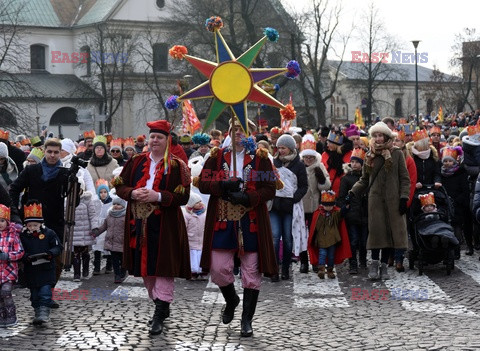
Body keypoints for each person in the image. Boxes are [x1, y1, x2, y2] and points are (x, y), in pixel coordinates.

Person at [197, 118, 277, 337]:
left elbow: (270, 189)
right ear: (228, 133)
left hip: (250, 220)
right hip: (222, 219)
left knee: (251, 272)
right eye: (235, 129)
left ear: (250, 134)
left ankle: (246, 320)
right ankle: (231, 299)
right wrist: (222, 185)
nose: (239, 133)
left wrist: (249, 196)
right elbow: (203, 183)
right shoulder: (217, 157)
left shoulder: (260, 160)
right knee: (219, 268)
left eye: (243, 130)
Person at [115, 119, 191, 336]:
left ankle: (159, 313)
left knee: (164, 269)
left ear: (168, 141)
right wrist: (131, 193)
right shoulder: (136, 162)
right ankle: (161, 303)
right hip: (139, 223)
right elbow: (119, 185)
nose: (155, 140)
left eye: (160, 137)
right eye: (152, 137)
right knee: (146, 272)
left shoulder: (177, 166)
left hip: (165, 224)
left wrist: (157, 195)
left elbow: (183, 196)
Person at [349, 122, 410, 281]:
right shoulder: (369, 154)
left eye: (380, 135)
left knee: (390, 234)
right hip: (375, 200)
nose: (377, 138)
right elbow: (364, 180)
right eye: (375, 135)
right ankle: (374, 264)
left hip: (393, 200)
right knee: (377, 234)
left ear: (386, 136)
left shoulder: (397, 154)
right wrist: (352, 192)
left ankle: (384, 266)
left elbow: (404, 178)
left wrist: (404, 197)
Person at [9, 138, 69, 302]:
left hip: (55, 220)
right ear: (44, 151)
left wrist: (75, 188)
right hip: (32, 220)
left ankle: (48, 293)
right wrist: (17, 212)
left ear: (60, 153)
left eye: (56, 152)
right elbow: (14, 189)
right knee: (32, 257)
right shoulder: (32, 170)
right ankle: (38, 292)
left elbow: (72, 200)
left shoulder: (64, 173)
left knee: (55, 259)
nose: (52, 155)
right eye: (49, 151)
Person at [270, 133, 308, 281]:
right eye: (279, 148)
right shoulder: (274, 163)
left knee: (287, 238)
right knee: (274, 237)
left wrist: (293, 198)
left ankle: (285, 268)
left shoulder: (298, 165)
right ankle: (274, 269)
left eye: (283, 148)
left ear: (291, 148)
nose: (281, 151)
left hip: (289, 207)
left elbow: (303, 186)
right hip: (275, 206)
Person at [20, 200, 62, 325]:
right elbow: (20, 250)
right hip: (32, 270)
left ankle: (44, 313)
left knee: (45, 292)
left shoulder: (49, 233)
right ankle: (37, 311)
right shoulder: (23, 236)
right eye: (30, 225)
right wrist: (26, 257)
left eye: (35, 225)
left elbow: (58, 247)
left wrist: (51, 253)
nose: (32, 228)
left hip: (46, 269)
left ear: (40, 224)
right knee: (34, 295)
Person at [300, 133, 331, 273]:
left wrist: (321, 179)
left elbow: (326, 186)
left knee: (314, 236)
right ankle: (303, 262)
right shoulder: (298, 167)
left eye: (311, 157)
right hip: (300, 206)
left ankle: (314, 261)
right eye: (306, 157)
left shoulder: (319, 166)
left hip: (314, 206)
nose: (308, 160)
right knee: (300, 235)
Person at [338, 147, 368, 274]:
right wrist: (345, 205)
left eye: (357, 162)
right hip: (352, 214)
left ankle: (363, 260)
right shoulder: (346, 179)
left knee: (364, 240)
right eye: (353, 162)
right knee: (354, 240)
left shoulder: (367, 178)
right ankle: (353, 263)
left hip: (365, 213)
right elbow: (341, 197)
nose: (354, 164)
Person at [308, 190, 350, 279]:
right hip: (321, 239)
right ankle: (321, 269)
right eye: (326, 205)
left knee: (331, 256)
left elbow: (341, 213)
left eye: (330, 205)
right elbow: (314, 227)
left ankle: (330, 270)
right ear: (322, 204)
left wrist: (346, 207)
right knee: (322, 254)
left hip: (333, 240)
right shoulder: (318, 213)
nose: (328, 207)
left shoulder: (335, 213)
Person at [440, 146, 470, 258]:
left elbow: (465, 191)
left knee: (456, 228)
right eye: (446, 161)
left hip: (457, 205)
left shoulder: (461, 173)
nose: (448, 163)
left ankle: (456, 250)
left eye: (450, 161)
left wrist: (457, 201)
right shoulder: (441, 174)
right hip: (444, 205)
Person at [92, 197, 127, 283]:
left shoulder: (126, 216)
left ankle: (123, 271)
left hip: (122, 242)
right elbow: (104, 227)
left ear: (123, 206)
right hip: (111, 242)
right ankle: (117, 275)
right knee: (115, 260)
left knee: (123, 260)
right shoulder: (110, 215)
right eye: (114, 204)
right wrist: (96, 233)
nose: (116, 206)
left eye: (118, 204)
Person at [0, 204, 24, 327]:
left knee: (6, 292)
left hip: (8, 271)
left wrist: (8, 256)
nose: (0, 224)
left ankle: (11, 316)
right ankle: (2, 316)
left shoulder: (13, 235)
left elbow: (20, 252)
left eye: (2, 220)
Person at [71, 179, 98, 281]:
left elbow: (93, 215)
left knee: (85, 252)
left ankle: (85, 269)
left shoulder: (87, 200)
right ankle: (76, 273)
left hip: (85, 231)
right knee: (75, 253)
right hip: (74, 231)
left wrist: (94, 227)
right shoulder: (68, 200)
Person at [183, 192, 207, 280]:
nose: (200, 203)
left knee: (201, 255)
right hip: (191, 240)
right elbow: (184, 227)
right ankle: (193, 272)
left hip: (202, 239)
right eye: (197, 202)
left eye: (200, 201)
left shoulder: (205, 214)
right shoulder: (187, 215)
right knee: (193, 256)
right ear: (192, 205)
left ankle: (203, 271)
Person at [92, 179, 113, 275]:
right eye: (101, 192)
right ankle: (96, 268)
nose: (103, 194)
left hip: (108, 226)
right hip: (98, 226)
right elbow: (94, 215)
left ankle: (109, 266)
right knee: (97, 247)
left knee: (108, 247)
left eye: (105, 192)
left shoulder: (111, 202)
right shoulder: (96, 203)